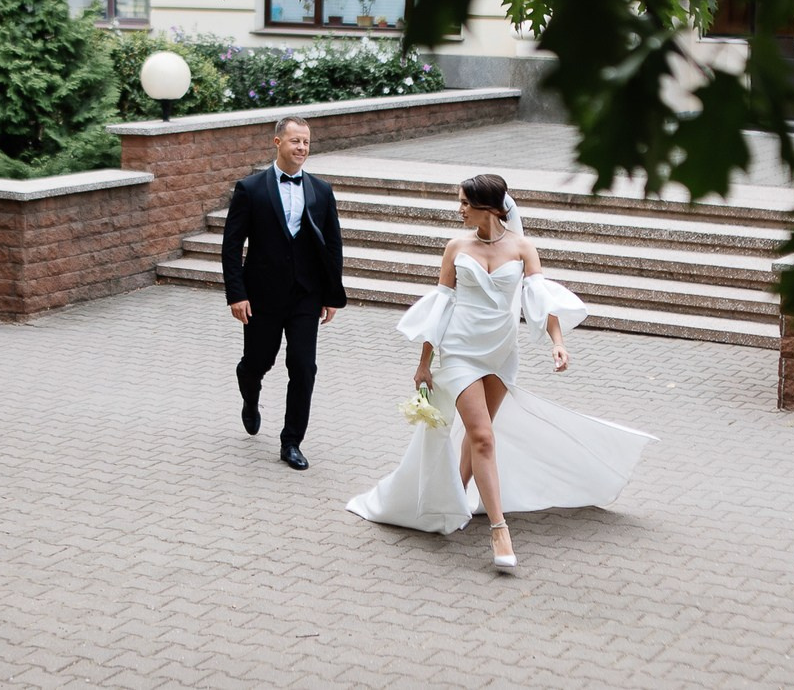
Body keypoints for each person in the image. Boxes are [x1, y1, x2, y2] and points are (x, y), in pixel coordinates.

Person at [346, 173, 655, 569]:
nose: (459, 210)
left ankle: (453, 500)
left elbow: (540, 299)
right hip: (459, 350)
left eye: (465, 203)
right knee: (483, 437)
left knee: (479, 435)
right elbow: (441, 306)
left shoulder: (523, 247)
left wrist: (558, 342)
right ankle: (499, 530)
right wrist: (424, 363)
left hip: (501, 353)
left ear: (489, 207)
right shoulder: (456, 247)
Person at [222, 116, 347, 470]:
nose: (302, 148)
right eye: (295, 141)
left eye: (306, 142)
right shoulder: (250, 189)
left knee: (304, 367)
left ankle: (291, 442)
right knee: (258, 362)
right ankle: (250, 393)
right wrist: (237, 294)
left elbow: (333, 244)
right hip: (261, 295)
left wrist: (331, 295)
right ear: (278, 143)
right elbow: (232, 246)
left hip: (306, 295)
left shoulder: (321, 190)